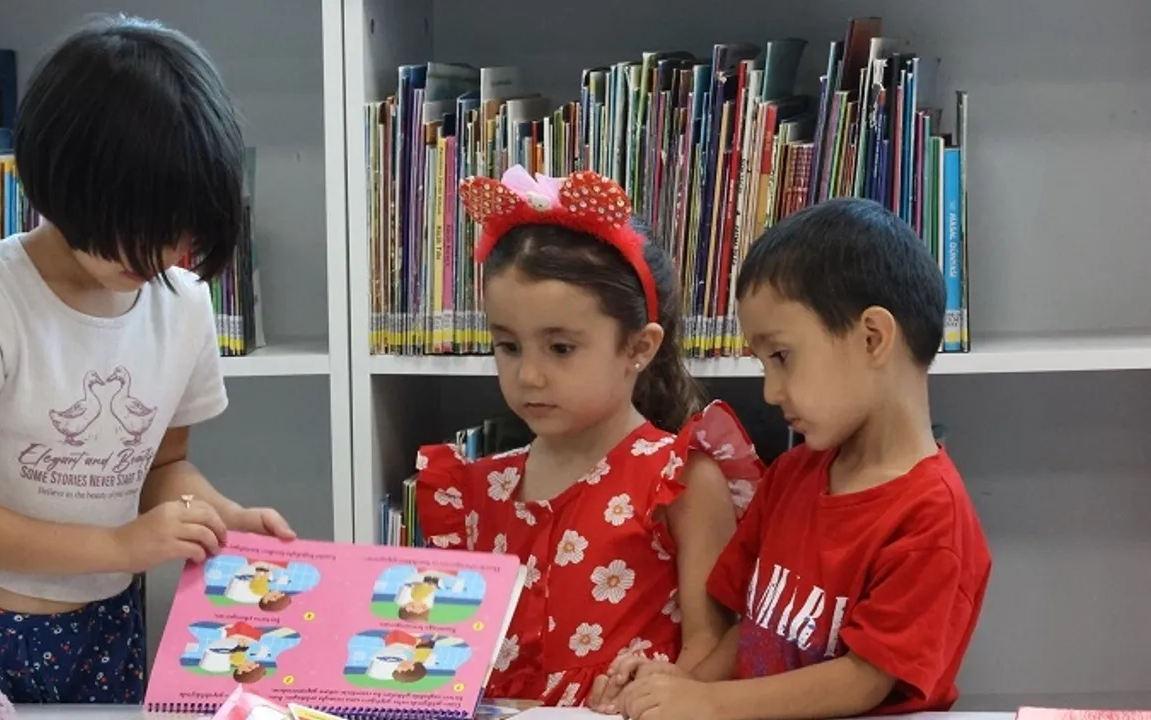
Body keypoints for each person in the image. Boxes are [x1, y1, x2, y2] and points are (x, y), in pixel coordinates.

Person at [0, 15, 295, 704]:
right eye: (137, 230)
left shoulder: (183, 305)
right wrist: (120, 547)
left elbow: (162, 467)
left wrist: (216, 514)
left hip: (100, 632)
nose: (160, 256)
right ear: (64, 182)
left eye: (178, 234)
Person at [597, 198, 993, 720]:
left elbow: (862, 680)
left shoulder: (932, 517)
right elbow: (749, 628)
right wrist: (676, 688)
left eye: (781, 356)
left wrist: (707, 702)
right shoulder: (790, 474)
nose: (770, 391)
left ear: (872, 338)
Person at [414, 166, 767, 706]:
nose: (529, 375)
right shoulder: (477, 492)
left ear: (639, 348)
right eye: (508, 346)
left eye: (560, 348)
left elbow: (711, 647)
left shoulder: (679, 479)